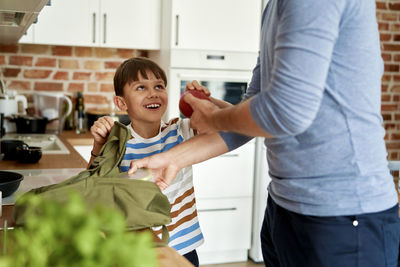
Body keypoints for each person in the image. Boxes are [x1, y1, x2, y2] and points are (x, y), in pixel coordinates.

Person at [128, 0, 400, 266]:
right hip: (284, 207)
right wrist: (173, 159)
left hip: (342, 214)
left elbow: (285, 112)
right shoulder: (274, 6)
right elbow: (252, 113)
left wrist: (217, 117)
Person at [88, 57, 230, 266]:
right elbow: (93, 187)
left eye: (158, 86)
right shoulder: (117, 139)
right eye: (141, 88)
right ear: (121, 102)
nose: (153, 92)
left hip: (184, 247)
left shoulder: (181, 130)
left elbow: (231, 124)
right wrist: (99, 146)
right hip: (137, 245)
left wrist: (207, 103)